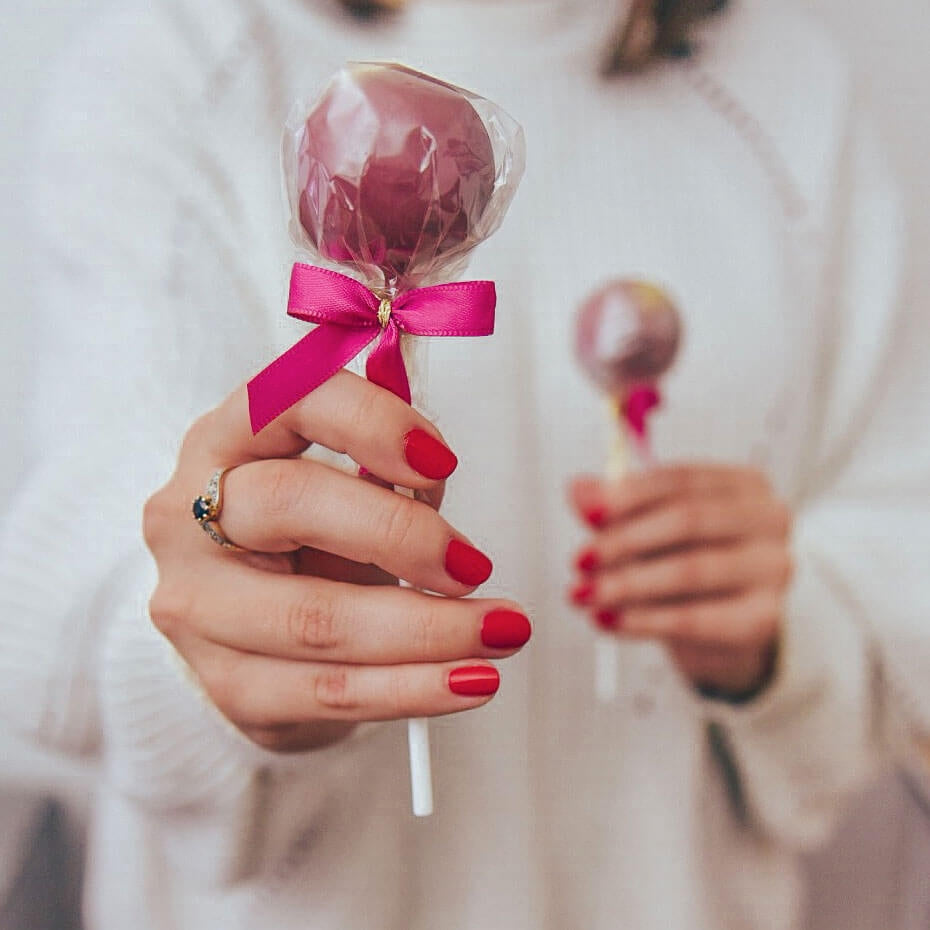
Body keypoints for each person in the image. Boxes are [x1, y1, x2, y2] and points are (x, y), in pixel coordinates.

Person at [1, 0, 927, 926]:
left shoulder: (789, 93)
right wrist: (206, 643)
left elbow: (900, 564)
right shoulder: (180, 61)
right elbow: (60, 623)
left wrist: (788, 637)